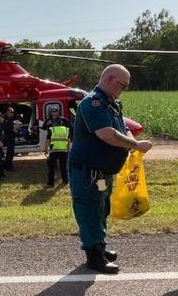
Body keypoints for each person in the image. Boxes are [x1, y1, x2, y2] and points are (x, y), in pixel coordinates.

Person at [68, 64, 152, 274]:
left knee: (101, 209)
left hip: (102, 172)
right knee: (89, 211)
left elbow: (122, 129)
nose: (123, 88)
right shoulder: (93, 103)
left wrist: (134, 143)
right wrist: (135, 145)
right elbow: (106, 133)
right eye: (122, 84)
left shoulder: (112, 104)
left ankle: (99, 246)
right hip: (88, 171)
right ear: (109, 79)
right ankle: (94, 256)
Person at [42, 106, 73, 187]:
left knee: (58, 166)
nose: (54, 112)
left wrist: (46, 149)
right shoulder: (49, 121)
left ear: (58, 112)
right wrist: (68, 147)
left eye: (55, 111)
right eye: (52, 111)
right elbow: (43, 127)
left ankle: (54, 182)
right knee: (56, 166)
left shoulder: (63, 120)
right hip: (57, 147)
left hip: (57, 148)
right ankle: (62, 181)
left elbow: (70, 129)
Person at [3, 107, 17, 171]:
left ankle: (7, 165)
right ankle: (9, 167)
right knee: (10, 153)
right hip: (8, 138)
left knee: (11, 152)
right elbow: (5, 128)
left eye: (13, 112)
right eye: (11, 112)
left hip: (11, 137)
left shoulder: (10, 119)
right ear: (7, 112)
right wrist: (13, 129)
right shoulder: (6, 120)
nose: (12, 113)